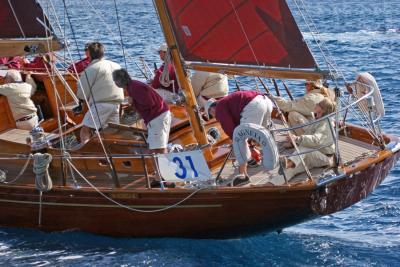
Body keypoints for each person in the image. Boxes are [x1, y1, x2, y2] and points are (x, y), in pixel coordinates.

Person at [204, 90, 273, 186]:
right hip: (266, 102)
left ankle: (242, 175)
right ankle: (272, 160)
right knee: (262, 134)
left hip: (254, 105)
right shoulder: (228, 103)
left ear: (211, 109)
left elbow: (233, 133)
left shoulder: (220, 108)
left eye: (211, 115)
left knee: (239, 138)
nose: (214, 117)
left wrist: (236, 148)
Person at [112, 69, 171, 154]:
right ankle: (161, 165)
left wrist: (133, 102)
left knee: (158, 148)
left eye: (114, 80)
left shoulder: (135, 88)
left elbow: (150, 103)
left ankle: (163, 165)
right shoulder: (133, 85)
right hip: (158, 116)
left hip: (158, 117)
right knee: (155, 147)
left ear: (118, 81)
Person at [76, 42, 123, 144]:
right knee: (110, 133)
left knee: (85, 130)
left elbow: (82, 92)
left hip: (101, 105)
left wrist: (81, 100)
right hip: (116, 105)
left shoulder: (92, 68)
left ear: (89, 54)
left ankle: (89, 153)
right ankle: (111, 153)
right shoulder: (117, 65)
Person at [280, 97, 336, 180]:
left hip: (326, 157)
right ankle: (270, 185)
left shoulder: (325, 124)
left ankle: (288, 163)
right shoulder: (318, 119)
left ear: (323, 110)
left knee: (304, 148)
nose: (316, 104)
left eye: (319, 104)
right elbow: (310, 135)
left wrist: (297, 139)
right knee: (290, 170)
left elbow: (315, 140)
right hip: (316, 152)